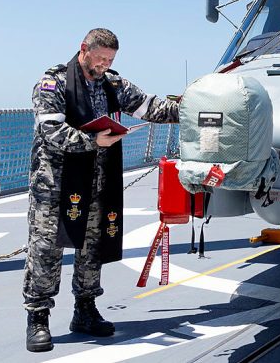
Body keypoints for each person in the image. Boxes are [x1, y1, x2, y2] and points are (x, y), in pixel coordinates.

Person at [24, 28, 179, 352]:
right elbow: (51, 129)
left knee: (93, 246)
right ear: (84, 49)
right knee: (46, 249)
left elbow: (149, 106)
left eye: (110, 60)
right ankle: (38, 317)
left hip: (97, 181)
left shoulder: (112, 82)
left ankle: (85, 310)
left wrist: (191, 109)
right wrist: (93, 140)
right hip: (55, 183)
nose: (104, 65)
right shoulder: (53, 82)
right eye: (100, 58)